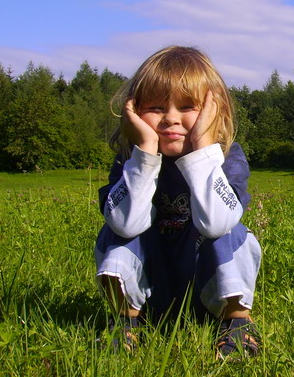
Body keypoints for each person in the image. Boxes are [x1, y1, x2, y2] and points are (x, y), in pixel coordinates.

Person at [94, 45, 261, 358]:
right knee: (117, 231)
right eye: (156, 107)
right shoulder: (131, 161)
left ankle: (237, 324)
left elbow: (216, 224)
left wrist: (202, 150)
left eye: (187, 106)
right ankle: (126, 324)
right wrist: (144, 152)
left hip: (207, 289)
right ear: (134, 110)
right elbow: (125, 223)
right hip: (149, 288)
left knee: (230, 231)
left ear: (215, 110)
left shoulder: (226, 158)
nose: (170, 118)